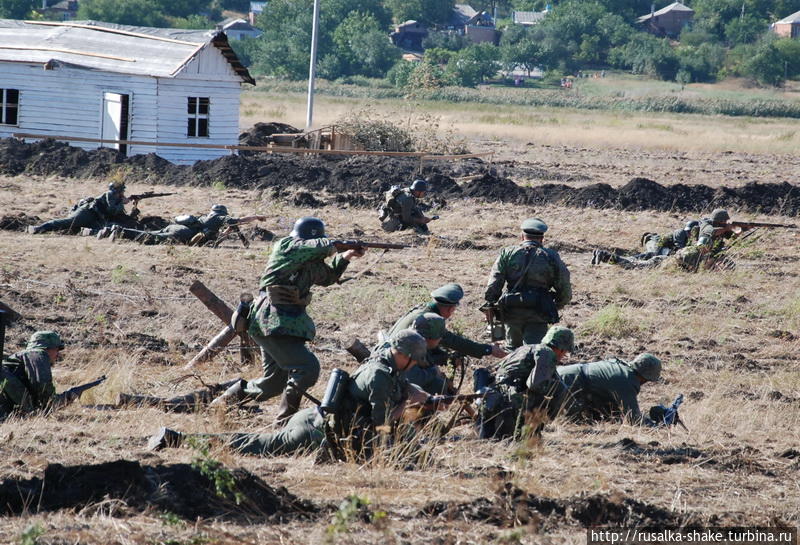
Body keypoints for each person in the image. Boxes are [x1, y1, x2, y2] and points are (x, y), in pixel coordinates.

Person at [148, 330, 431, 458]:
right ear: (403, 355)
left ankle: (181, 439)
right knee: (254, 445)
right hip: (316, 432)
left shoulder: (381, 365)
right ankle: (180, 440)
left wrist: (414, 394)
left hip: (315, 420)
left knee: (255, 441)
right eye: (414, 361)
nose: (415, 366)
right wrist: (407, 404)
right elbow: (381, 427)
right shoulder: (380, 375)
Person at [210, 217, 364, 424]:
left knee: (273, 383)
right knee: (308, 368)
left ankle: (220, 404)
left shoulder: (311, 261)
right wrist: (335, 245)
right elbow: (315, 246)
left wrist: (346, 256)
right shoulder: (287, 246)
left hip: (283, 323)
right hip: (270, 319)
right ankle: (285, 421)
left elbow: (327, 278)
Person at [484, 218, 572, 349]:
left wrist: (491, 305)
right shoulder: (551, 256)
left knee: (511, 351)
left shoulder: (507, 253)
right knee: (534, 351)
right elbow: (564, 288)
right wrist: (555, 306)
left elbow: (494, 284)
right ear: (542, 238)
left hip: (512, 310)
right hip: (538, 312)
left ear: (522, 237)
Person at [475, 326, 574, 440]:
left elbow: (494, 373)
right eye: (565, 352)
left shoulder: (525, 348)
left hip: (494, 401)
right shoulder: (547, 353)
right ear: (561, 348)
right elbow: (536, 384)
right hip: (511, 404)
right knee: (559, 387)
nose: (563, 356)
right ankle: (531, 430)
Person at [387, 283, 507, 366]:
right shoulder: (431, 320)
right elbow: (453, 341)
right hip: (396, 361)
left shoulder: (422, 309)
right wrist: (488, 349)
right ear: (450, 309)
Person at [555, 353, 662, 426]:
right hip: (567, 383)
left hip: (563, 375)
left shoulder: (621, 367)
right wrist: (657, 425)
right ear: (645, 377)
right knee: (574, 422)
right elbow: (633, 419)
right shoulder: (626, 381)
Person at [97, 204, 267, 245]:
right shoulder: (219, 218)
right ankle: (119, 231)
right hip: (183, 234)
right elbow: (239, 221)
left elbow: (229, 230)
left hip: (174, 226)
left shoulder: (205, 217)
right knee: (152, 239)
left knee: (154, 234)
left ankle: (114, 229)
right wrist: (256, 216)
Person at [0, 331, 73, 419]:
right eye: (56, 349)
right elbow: (43, 388)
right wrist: (60, 400)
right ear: (46, 348)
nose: (58, 354)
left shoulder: (25, 357)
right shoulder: (38, 354)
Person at [28, 182, 135, 235]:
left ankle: (84, 231)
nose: (123, 193)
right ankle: (39, 228)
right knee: (68, 222)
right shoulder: (111, 194)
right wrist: (122, 202)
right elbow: (112, 209)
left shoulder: (117, 197)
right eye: (122, 191)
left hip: (95, 218)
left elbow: (118, 215)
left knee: (105, 229)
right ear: (118, 190)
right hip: (87, 213)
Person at [592, 220, 699, 269]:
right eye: (690, 232)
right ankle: (608, 256)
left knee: (642, 260)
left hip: (661, 249)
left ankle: (607, 256)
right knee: (650, 255)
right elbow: (680, 249)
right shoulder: (680, 233)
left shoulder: (687, 237)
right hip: (654, 242)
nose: (690, 234)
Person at [674, 209, 739, 271]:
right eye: (724, 220)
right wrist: (726, 228)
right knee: (701, 267)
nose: (726, 222)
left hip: (715, 252)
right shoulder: (706, 224)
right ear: (719, 220)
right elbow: (712, 231)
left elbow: (732, 237)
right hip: (703, 253)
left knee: (731, 266)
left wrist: (739, 231)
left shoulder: (722, 226)